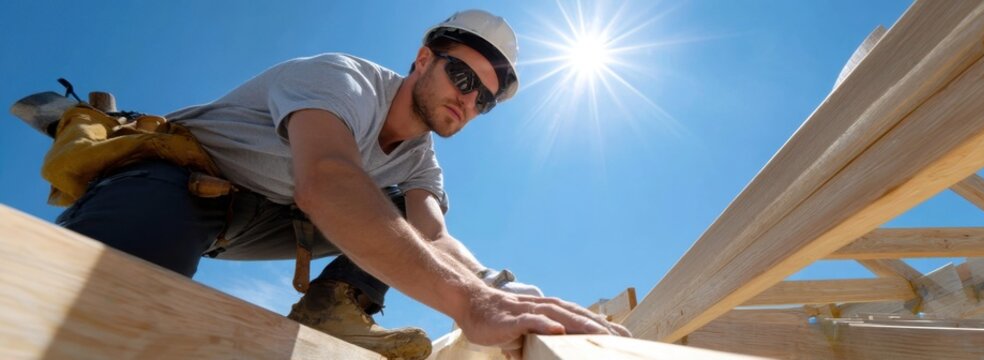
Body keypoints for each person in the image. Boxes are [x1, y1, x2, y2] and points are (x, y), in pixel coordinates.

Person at [47, 9, 628, 360]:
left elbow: (434, 236)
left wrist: (501, 290)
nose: (468, 99)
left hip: (264, 218)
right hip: (176, 182)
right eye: (460, 74)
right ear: (423, 59)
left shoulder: (422, 161)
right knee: (100, 306)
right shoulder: (344, 81)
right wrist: (470, 304)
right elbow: (326, 181)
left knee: (398, 213)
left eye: (486, 98)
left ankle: (335, 307)